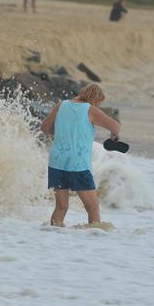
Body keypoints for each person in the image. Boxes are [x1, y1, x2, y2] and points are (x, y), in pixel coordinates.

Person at [40, 84, 120, 226]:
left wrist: (64, 132)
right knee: (93, 208)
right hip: (77, 164)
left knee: (61, 207)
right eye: (98, 102)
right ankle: (93, 240)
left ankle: (52, 239)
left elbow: (45, 128)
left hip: (57, 161)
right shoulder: (91, 109)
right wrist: (115, 134)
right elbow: (115, 126)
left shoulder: (61, 105)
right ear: (95, 99)